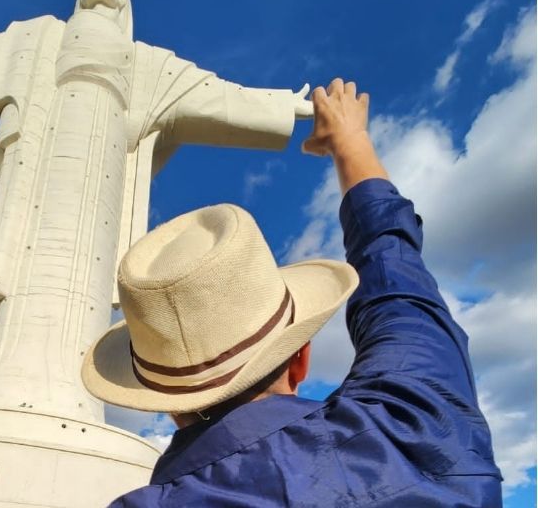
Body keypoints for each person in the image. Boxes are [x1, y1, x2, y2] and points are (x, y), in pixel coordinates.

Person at [82, 78, 502, 506]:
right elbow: (396, 276)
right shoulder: (413, 421)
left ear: (165, 400)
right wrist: (348, 140)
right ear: (301, 357)